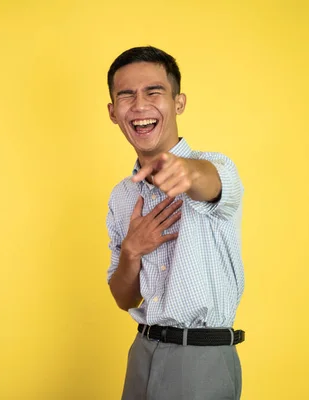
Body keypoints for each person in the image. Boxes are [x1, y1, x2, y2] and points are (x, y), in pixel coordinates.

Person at [105, 46, 245, 400]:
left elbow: (211, 182)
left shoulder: (216, 167)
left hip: (201, 361)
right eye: (126, 96)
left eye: (153, 92)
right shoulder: (122, 196)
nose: (139, 105)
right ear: (113, 112)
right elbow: (124, 298)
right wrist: (131, 253)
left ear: (178, 102)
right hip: (142, 352)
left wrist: (184, 171)